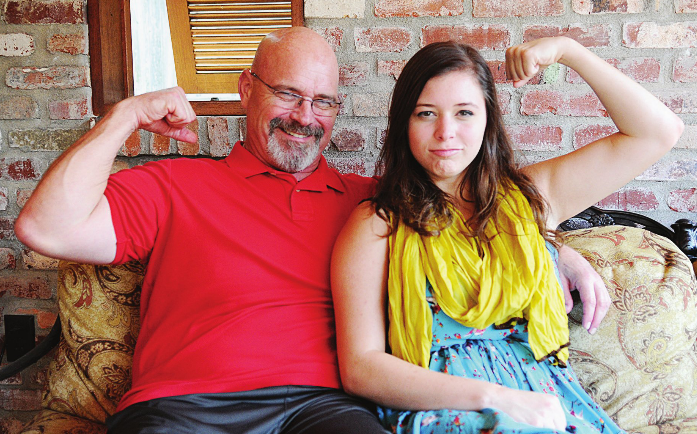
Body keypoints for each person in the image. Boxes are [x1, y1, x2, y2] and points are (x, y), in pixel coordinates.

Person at [14, 27, 609, 433]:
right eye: (288, 94)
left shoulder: (372, 206)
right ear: (247, 90)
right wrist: (123, 117)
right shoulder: (174, 186)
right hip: (186, 406)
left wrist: (557, 248)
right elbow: (46, 227)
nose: (305, 117)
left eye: (322, 101)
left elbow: (472, 220)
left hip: (320, 410)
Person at [330, 37, 683, 434]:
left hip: (551, 402)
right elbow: (360, 368)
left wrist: (570, 51)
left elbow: (658, 133)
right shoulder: (378, 223)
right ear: (403, 123)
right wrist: (496, 397)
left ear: (488, 120)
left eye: (464, 112)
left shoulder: (531, 197)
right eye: (426, 113)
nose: (445, 132)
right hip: (450, 408)